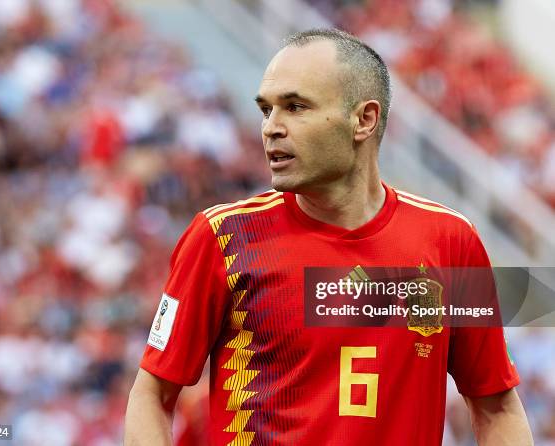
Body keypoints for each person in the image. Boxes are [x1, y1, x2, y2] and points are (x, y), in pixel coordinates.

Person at [125, 28, 533, 445]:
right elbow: (153, 395)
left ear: (364, 119)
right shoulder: (222, 237)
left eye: (295, 107)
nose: (271, 128)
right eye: (267, 110)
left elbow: (497, 408)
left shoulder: (451, 242)